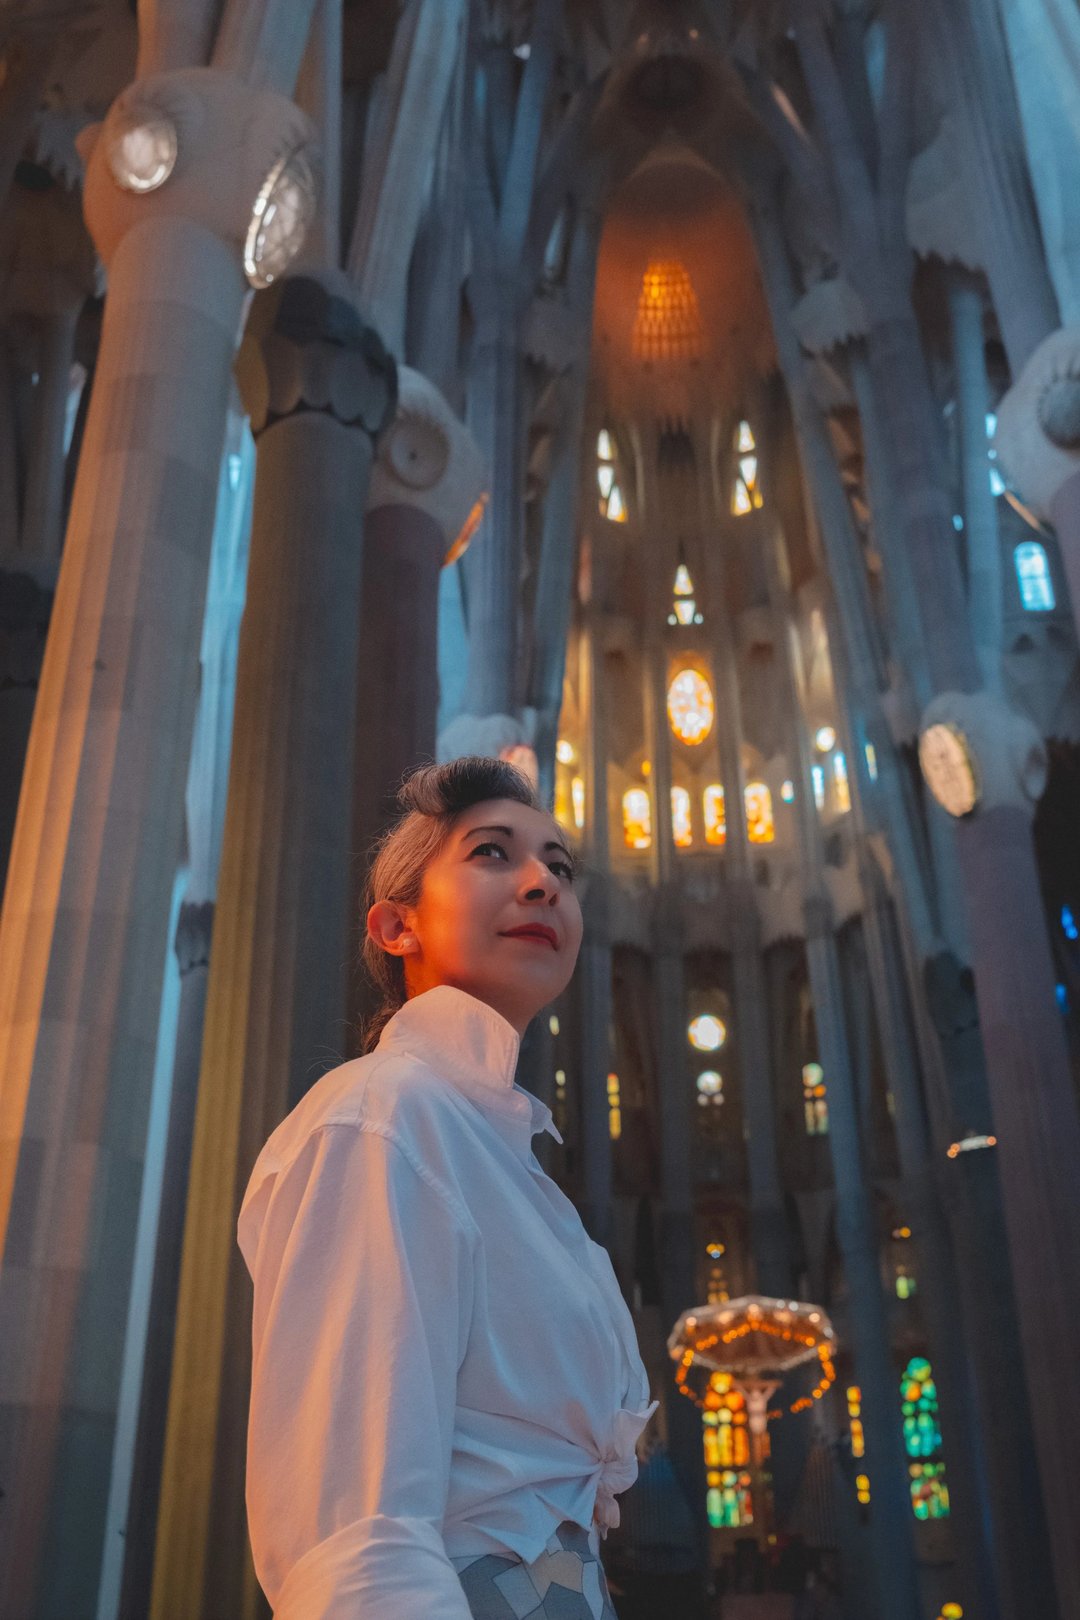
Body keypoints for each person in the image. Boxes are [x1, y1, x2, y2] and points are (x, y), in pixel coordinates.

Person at [238, 757, 659, 1618]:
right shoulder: (381, 1118)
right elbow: (354, 1528)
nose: (542, 882)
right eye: (494, 854)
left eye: (561, 866)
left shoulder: (506, 1156)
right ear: (398, 926)